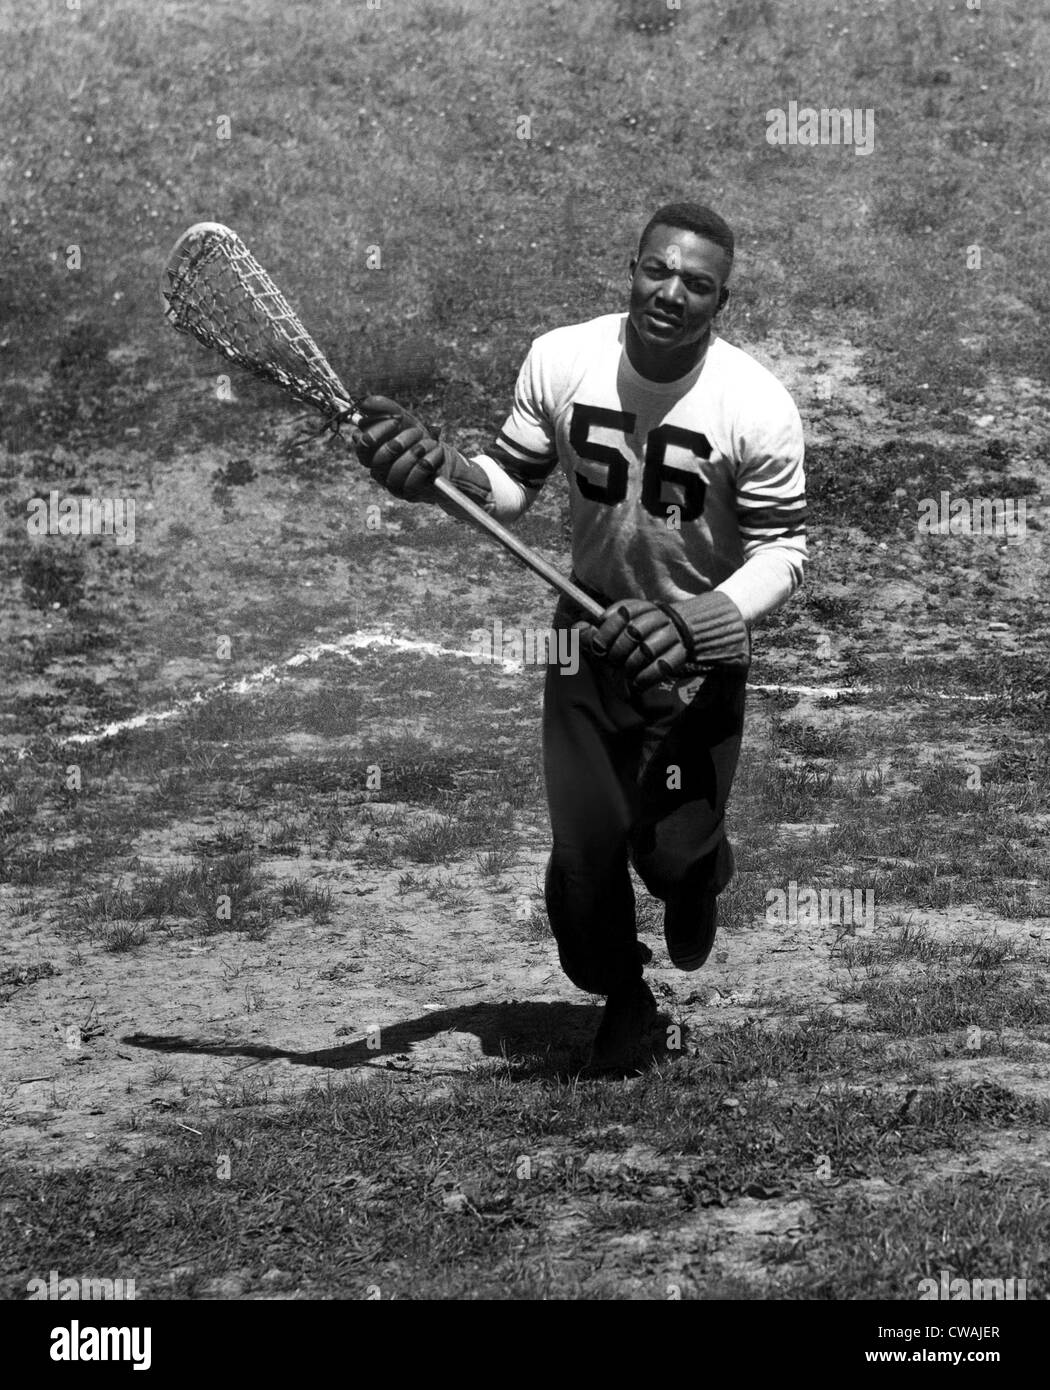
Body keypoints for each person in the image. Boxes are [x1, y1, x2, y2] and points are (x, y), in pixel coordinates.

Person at [354, 202, 807, 1070]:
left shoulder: (757, 404)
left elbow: (785, 552)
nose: (671, 293)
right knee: (585, 852)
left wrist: (691, 623)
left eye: (697, 283)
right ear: (632, 268)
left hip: (695, 657)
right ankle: (626, 999)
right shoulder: (562, 358)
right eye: (657, 270)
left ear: (723, 300)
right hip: (586, 643)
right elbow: (510, 482)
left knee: (671, 852)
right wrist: (441, 474)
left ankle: (699, 874)